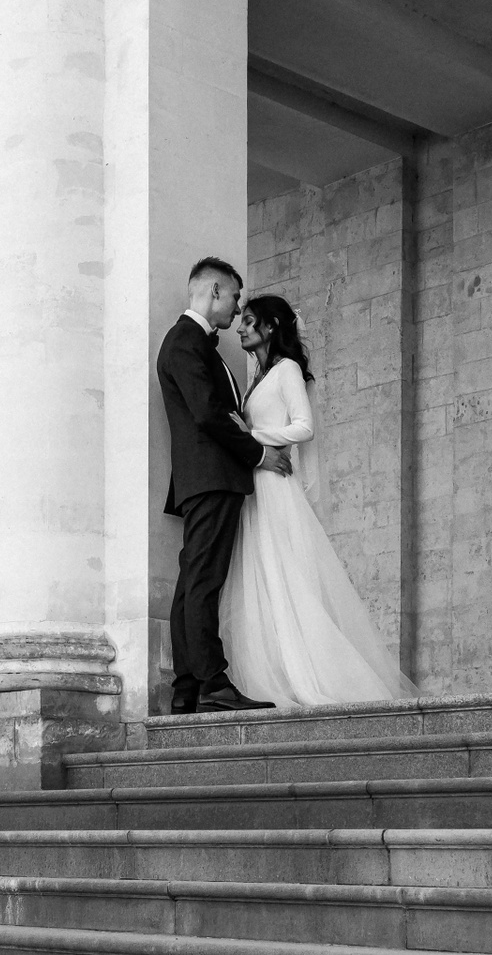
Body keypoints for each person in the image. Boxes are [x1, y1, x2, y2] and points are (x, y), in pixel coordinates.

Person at [219, 294, 416, 707]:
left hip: (274, 487)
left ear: (271, 326)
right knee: (264, 582)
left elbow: (304, 427)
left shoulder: (288, 369)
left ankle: (310, 675)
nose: (240, 327)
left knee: (286, 579)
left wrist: (251, 436)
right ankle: (275, 673)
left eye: (249, 321)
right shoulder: (258, 377)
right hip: (256, 485)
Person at [157, 257, 292, 715]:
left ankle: (188, 686)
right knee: (204, 581)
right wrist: (258, 453)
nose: (237, 308)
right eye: (235, 296)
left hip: (205, 478)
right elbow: (209, 413)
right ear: (214, 291)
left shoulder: (194, 343)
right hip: (211, 476)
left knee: (193, 580)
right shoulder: (186, 341)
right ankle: (212, 683)